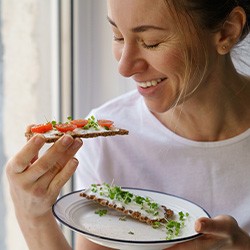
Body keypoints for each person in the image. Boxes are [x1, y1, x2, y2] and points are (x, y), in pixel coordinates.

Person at [5, 0, 250, 249]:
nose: (124, 68)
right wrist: (33, 217)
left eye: (151, 42)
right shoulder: (109, 145)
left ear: (227, 31)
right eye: (118, 36)